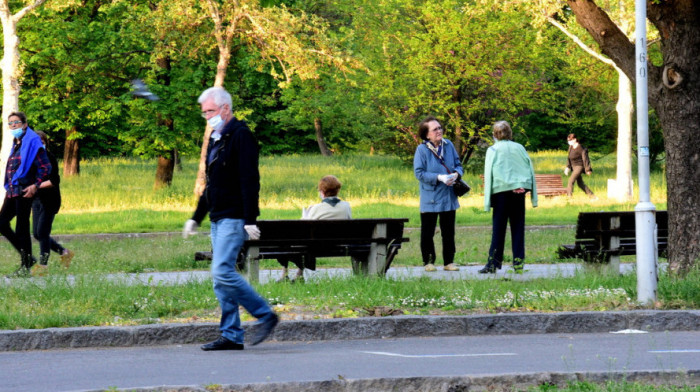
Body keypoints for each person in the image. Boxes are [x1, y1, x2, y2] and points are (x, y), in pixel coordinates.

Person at [185, 86, 278, 351]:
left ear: (226, 108)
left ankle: (265, 314)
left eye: (210, 111)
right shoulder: (217, 138)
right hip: (217, 217)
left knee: (222, 270)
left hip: (234, 216)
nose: (206, 116)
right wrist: (196, 218)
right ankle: (232, 335)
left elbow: (250, 179)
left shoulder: (241, 136)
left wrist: (250, 219)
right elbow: (211, 184)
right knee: (220, 279)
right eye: (204, 112)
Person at [480, 121, 537, 274]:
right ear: (510, 133)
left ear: (494, 134)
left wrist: (488, 199)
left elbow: (489, 173)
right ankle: (518, 263)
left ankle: (493, 263)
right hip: (518, 192)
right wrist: (524, 187)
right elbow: (528, 169)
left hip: (501, 193)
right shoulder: (519, 147)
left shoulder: (493, 149)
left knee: (498, 229)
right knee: (518, 228)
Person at [1, 112, 51, 277]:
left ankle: (25, 265)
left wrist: (35, 186)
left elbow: (45, 167)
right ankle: (28, 259)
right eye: (10, 123)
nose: (13, 125)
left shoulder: (32, 141)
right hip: (13, 189)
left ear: (24, 124)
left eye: (16, 122)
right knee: (1, 223)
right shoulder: (18, 142)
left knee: (21, 228)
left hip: (24, 190)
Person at [275, 175, 351, 282]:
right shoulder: (346, 206)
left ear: (322, 192)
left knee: (288, 240)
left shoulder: (316, 208)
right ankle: (298, 274)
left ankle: (285, 273)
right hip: (338, 245)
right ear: (337, 190)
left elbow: (304, 228)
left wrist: (304, 216)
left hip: (315, 246)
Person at [413, 116, 462, 272]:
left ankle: (449, 261)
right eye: (435, 129)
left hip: (448, 195)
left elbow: (459, 165)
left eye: (440, 128)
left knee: (448, 232)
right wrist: (438, 177)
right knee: (428, 232)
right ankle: (428, 262)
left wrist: (456, 175)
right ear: (427, 134)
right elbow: (419, 173)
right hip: (430, 197)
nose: (439, 131)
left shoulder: (449, 145)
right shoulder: (421, 150)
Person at [30, 131, 75, 276]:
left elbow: (54, 181)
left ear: (45, 142)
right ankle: (64, 252)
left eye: (41, 140)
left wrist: (36, 186)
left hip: (50, 200)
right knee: (37, 233)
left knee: (43, 232)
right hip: (36, 200)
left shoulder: (49, 157)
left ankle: (43, 266)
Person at [564, 133, 595, 197]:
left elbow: (585, 159)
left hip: (579, 167)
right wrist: (567, 167)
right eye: (568, 141)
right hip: (574, 167)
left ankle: (569, 197)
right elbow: (569, 158)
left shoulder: (581, 148)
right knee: (580, 184)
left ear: (575, 139)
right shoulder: (570, 147)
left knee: (570, 181)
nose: (569, 142)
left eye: (570, 140)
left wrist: (588, 169)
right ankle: (593, 196)